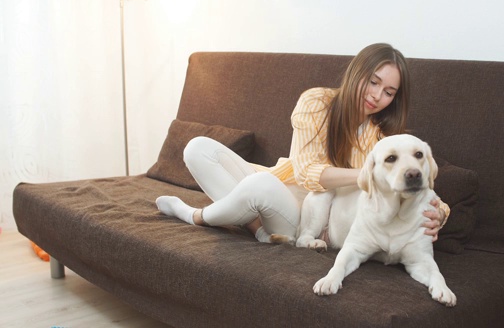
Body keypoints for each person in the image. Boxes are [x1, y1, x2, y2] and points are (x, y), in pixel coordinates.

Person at [156, 43, 450, 243]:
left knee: (260, 187)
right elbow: (306, 171)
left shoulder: (382, 140)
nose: (376, 96)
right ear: (357, 72)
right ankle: (257, 229)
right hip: (279, 183)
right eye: (373, 82)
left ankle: (195, 215)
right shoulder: (317, 101)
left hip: (303, 217)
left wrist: (440, 213)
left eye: (388, 92)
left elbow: (417, 187)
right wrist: (365, 174)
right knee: (197, 148)